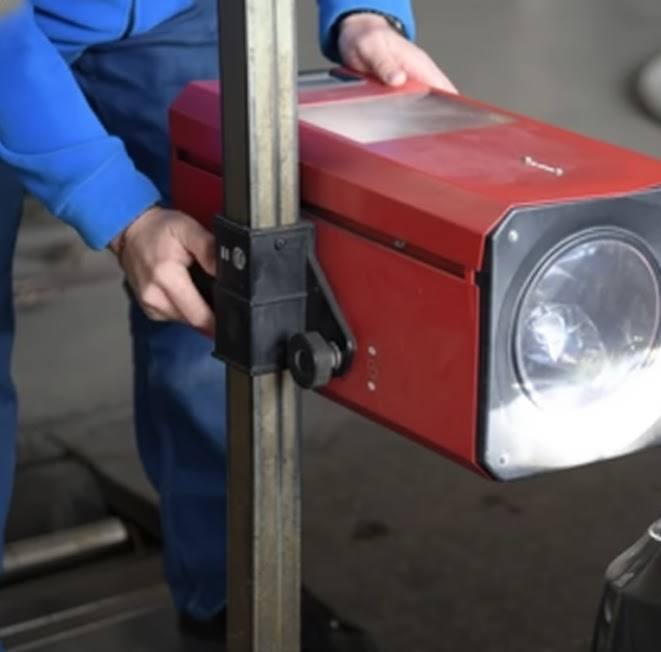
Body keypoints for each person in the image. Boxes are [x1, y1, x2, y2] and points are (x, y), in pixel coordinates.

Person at [0, 0, 456, 648]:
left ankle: (228, 599)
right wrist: (120, 211)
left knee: (220, 312)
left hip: (178, 15)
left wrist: (363, 15)